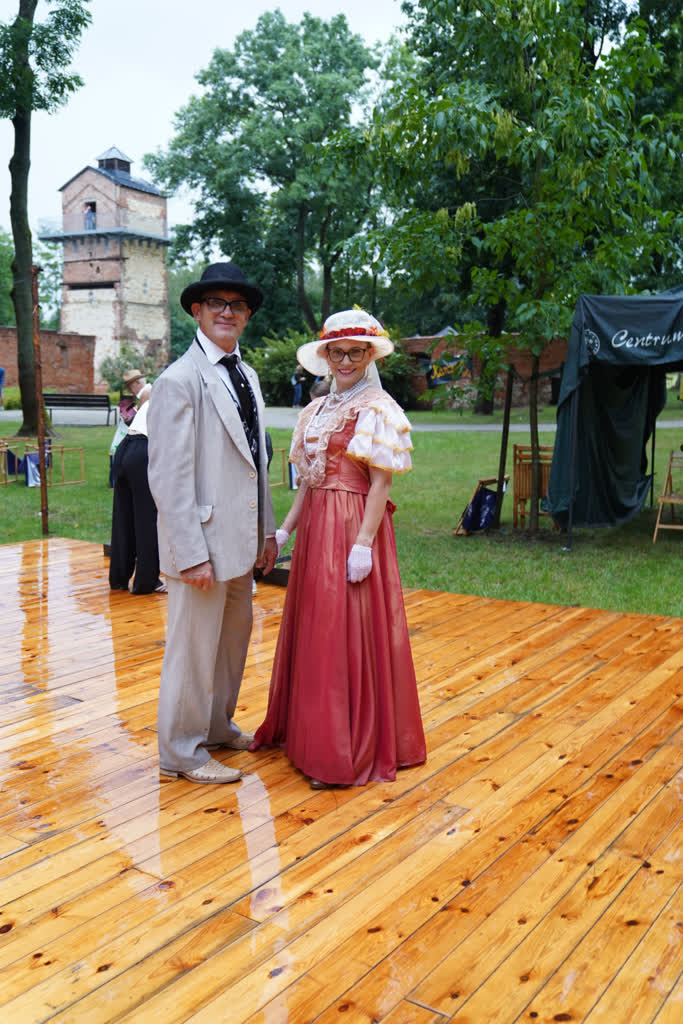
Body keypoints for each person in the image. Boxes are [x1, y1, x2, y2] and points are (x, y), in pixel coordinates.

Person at [251, 309, 426, 788]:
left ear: (370, 356)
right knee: (317, 627)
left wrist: (364, 544)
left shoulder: (378, 408)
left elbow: (381, 483)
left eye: (355, 353)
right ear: (326, 356)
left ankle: (343, 748)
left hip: (351, 525)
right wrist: (285, 531)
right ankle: (313, 737)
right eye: (337, 353)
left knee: (342, 630)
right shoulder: (316, 409)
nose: (345, 361)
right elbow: (309, 481)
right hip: (315, 528)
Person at [147, 261, 277, 785]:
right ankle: (180, 752)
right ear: (197, 311)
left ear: (247, 316)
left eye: (237, 304)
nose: (228, 312)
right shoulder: (178, 381)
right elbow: (168, 477)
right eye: (217, 303)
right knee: (192, 651)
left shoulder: (247, 375)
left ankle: (218, 727)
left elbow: (256, 462)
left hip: (241, 540)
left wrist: (267, 532)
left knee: (230, 644)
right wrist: (190, 552)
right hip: (199, 543)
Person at [109, 369, 163, 594]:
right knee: (147, 518)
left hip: (126, 447)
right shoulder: (171, 395)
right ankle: (146, 581)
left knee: (123, 516)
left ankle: (119, 577)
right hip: (143, 450)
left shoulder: (152, 394)